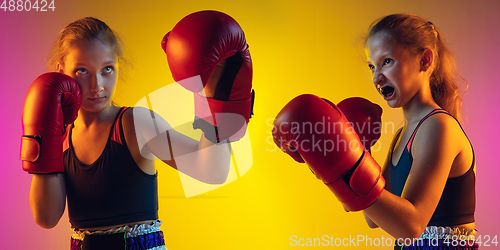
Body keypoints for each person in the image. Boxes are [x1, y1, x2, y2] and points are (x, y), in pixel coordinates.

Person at [22, 11, 253, 250]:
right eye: (82, 71)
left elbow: (211, 170)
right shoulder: (59, 137)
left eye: (107, 69)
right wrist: (42, 134)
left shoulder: (135, 123)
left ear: (118, 66)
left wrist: (217, 92)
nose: (97, 86)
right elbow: (46, 218)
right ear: (61, 72)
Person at [272, 14, 476, 250]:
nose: (377, 77)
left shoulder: (438, 126)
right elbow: (373, 219)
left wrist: (346, 166)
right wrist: (352, 158)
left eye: (387, 61)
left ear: (425, 60)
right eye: (372, 66)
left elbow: (411, 227)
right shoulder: (402, 134)